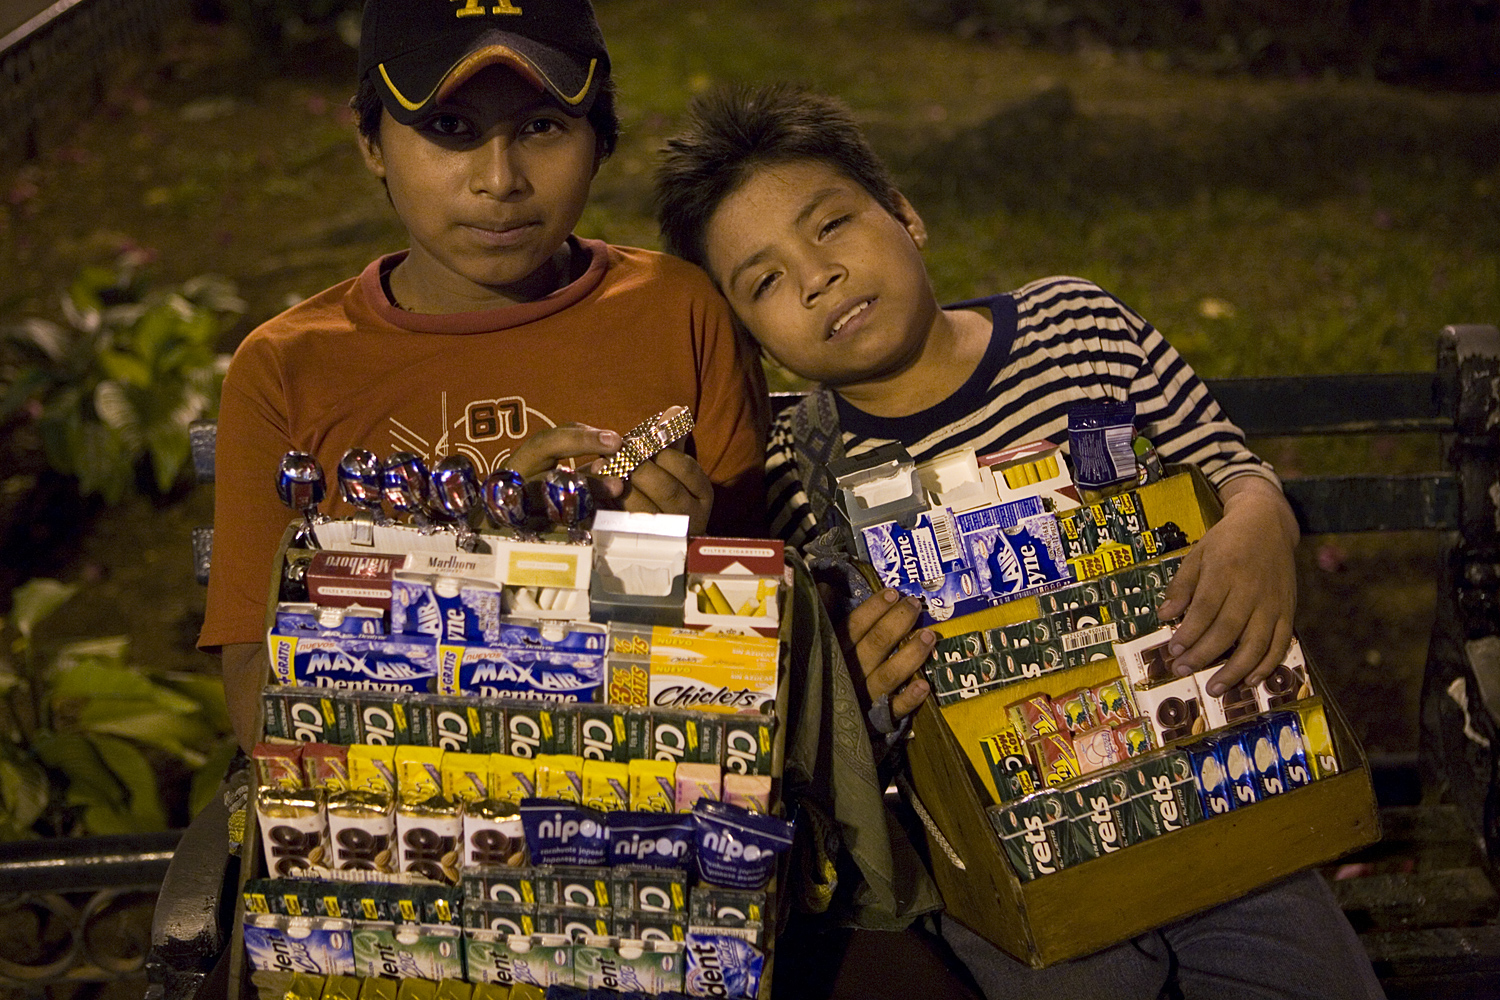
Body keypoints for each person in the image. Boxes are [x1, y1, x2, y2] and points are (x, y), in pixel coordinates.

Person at [653, 83, 1385, 1000]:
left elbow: (1231, 472)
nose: (816, 276)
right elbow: (833, 714)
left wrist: (1258, 519)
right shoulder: (800, 474)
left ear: (907, 216)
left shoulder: (1075, 327)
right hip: (1009, 863)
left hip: (1222, 802)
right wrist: (857, 687)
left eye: (832, 225)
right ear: (749, 337)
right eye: (764, 281)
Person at [200, 0, 768, 754]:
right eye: (451, 129)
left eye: (540, 127)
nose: (499, 181)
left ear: (600, 140)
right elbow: (261, 712)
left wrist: (682, 575)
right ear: (371, 141)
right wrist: (482, 560)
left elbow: (760, 661)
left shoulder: (678, 312)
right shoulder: (286, 369)